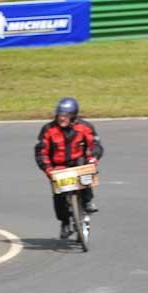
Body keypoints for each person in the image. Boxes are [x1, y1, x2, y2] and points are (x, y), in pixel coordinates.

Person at [34, 97, 104, 239]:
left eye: (65, 115)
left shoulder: (85, 127)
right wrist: (48, 169)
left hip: (79, 162)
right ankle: (65, 222)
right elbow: (41, 152)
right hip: (58, 166)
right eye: (60, 115)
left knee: (85, 170)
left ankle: (87, 201)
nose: (62, 118)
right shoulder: (48, 129)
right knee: (59, 198)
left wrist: (93, 157)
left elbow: (95, 145)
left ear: (73, 116)